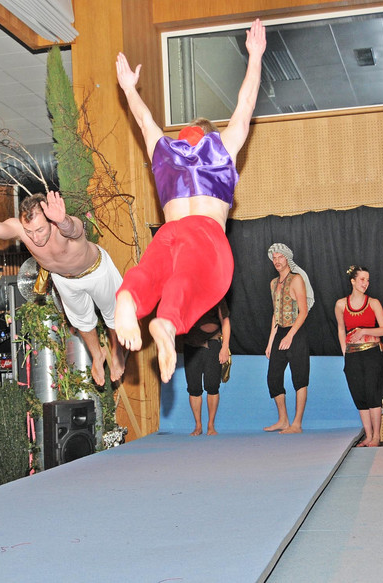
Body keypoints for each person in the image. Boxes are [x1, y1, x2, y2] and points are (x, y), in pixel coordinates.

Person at [113, 18, 266, 383]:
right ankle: (167, 323)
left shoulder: (164, 151)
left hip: (169, 232)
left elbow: (144, 121)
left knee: (151, 273)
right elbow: (245, 107)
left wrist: (129, 88)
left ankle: (129, 298)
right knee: (199, 281)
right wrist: (255, 57)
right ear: (212, 135)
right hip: (204, 233)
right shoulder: (221, 149)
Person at [0, 191, 125, 386]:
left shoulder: (62, 225)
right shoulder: (20, 229)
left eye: (40, 230)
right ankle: (97, 355)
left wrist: (62, 221)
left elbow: (75, 230)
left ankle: (116, 351)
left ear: (51, 221)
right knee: (82, 321)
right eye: (29, 232)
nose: (35, 238)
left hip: (95, 270)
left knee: (114, 314)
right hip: (64, 280)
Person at [335, 266, 383, 447]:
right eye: (362, 279)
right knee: (359, 394)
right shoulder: (341, 304)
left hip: (372, 353)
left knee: (373, 393)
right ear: (353, 281)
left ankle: (376, 436)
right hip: (352, 355)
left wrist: (364, 330)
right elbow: (341, 329)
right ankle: (368, 435)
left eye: (367, 280)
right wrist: (345, 352)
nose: (366, 283)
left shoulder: (373, 303)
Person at [264, 244, 314, 433]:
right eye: (274, 258)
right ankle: (283, 420)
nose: (277, 261)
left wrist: (290, 335)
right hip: (280, 332)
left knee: (299, 377)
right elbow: (275, 314)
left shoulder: (296, 279)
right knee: (273, 377)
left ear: (287, 258)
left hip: (296, 332)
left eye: (280, 257)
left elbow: (304, 311)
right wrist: (271, 341)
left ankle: (297, 423)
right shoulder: (273, 283)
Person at [181, 299, 230, 436]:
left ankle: (211, 425)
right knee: (193, 388)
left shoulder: (217, 294)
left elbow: (225, 321)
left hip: (213, 342)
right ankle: (198, 425)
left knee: (212, 386)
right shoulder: (186, 294)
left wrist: (225, 347)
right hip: (191, 344)